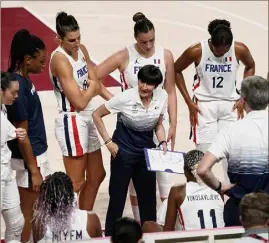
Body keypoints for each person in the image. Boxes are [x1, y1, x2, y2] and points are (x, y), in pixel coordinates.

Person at [94, 12, 177, 222]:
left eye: (152, 41)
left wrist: (171, 126)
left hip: (150, 128)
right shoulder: (125, 55)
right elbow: (94, 75)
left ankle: (149, 230)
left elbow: (171, 90)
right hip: (126, 129)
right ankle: (118, 233)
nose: (149, 46)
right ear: (135, 39)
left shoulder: (164, 56)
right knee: (120, 194)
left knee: (151, 191)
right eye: (143, 42)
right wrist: (117, 99)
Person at [49, 11, 109, 238]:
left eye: (78, 38)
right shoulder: (59, 60)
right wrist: (93, 87)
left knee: (97, 175)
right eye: (71, 40)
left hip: (87, 114)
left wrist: (118, 103)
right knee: (75, 182)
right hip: (71, 118)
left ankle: (83, 221)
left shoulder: (81, 51)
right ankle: (62, 230)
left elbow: (96, 82)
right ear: (59, 39)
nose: (76, 44)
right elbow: (80, 100)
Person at [174, 19, 255, 183]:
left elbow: (250, 65)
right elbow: (176, 70)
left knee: (233, 157)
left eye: (224, 53)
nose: (220, 55)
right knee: (203, 158)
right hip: (204, 106)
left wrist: (243, 96)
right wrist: (189, 103)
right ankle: (204, 198)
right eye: (217, 52)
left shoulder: (239, 49)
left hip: (230, 105)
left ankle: (232, 199)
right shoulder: (197, 50)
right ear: (212, 43)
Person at [93, 65, 168, 235]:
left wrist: (162, 140)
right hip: (123, 153)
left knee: (149, 202)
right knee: (117, 200)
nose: (144, 86)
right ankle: (111, 238)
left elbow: (158, 124)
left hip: (146, 155)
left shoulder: (163, 97)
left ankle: (149, 238)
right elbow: (96, 114)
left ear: (156, 86)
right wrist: (108, 142)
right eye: (142, 81)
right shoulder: (125, 98)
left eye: (149, 84)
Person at [197, 75, 269, 227]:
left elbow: (203, 170)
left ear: (242, 100)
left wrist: (220, 187)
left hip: (241, 209)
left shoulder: (230, 131)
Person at [6, 29, 50, 243]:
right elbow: (22, 135)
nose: (44, 65)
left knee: (37, 211)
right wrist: (34, 170)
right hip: (29, 160)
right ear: (27, 59)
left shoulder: (24, 80)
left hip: (36, 155)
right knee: (27, 212)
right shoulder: (18, 89)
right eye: (41, 61)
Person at [142, 150, 224, 233]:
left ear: (185, 171)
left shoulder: (177, 192)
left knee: (147, 225)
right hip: (219, 239)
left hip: (193, 240)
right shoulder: (218, 188)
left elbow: (168, 231)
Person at [1, 71, 25, 242]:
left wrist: (15, 132)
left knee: (17, 223)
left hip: (5, 169)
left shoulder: (2, 107)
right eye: (13, 93)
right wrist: (15, 133)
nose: (16, 96)